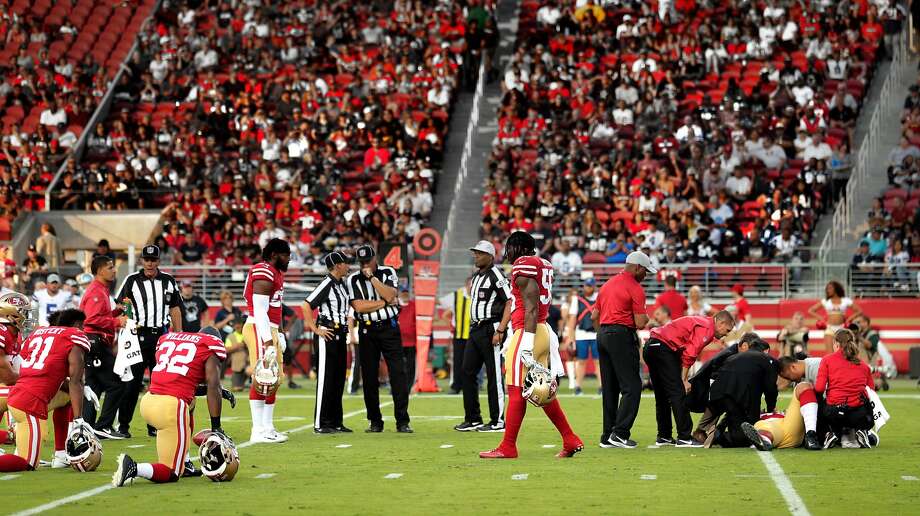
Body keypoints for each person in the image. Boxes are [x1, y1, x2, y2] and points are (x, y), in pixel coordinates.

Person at [480, 231, 583, 459]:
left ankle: (508, 446)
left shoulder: (523, 264)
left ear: (518, 247)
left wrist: (525, 341)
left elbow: (532, 306)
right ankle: (570, 438)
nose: (507, 253)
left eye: (509, 247)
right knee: (540, 389)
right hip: (542, 330)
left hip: (530, 331)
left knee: (516, 390)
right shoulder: (543, 264)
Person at [112, 328, 230, 486]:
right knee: (171, 472)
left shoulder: (169, 338)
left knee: (191, 401)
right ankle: (134, 467)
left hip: (148, 402)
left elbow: (180, 379)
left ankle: (186, 462)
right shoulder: (210, 345)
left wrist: (220, 392)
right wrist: (216, 427)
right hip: (171, 408)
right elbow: (213, 385)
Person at [0, 308, 95, 473]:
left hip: (20, 392)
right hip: (30, 403)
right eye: (83, 326)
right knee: (27, 463)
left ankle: (60, 454)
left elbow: (37, 367)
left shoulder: (40, 333)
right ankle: (21, 445)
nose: (85, 330)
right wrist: (79, 419)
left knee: (66, 397)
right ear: (77, 325)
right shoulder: (74, 336)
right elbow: (75, 381)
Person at [116, 244, 183, 438]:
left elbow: (175, 309)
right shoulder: (131, 280)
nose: (150, 263)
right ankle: (123, 425)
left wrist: (178, 335)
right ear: (142, 261)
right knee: (132, 383)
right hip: (138, 336)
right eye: (147, 259)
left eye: (153, 260)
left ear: (159, 261)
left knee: (159, 383)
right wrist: (127, 323)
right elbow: (121, 304)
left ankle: (154, 424)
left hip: (161, 336)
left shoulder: (168, 281)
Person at [592, 251, 655, 449]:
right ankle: (619, 434)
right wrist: (646, 320)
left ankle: (608, 434)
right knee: (633, 386)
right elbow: (639, 322)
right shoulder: (635, 288)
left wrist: (604, 334)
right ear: (637, 267)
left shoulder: (607, 284)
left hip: (602, 334)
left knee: (610, 388)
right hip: (621, 335)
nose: (646, 276)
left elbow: (595, 315)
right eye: (645, 271)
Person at [644, 311, 735, 447]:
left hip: (651, 347)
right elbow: (690, 354)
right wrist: (684, 380)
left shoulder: (702, 322)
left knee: (662, 396)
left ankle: (664, 436)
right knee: (678, 392)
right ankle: (684, 437)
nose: (726, 334)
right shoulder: (707, 328)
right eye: (727, 330)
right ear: (720, 323)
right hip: (664, 349)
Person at [347, 245, 411, 433]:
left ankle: (402, 421)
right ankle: (375, 421)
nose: (365, 265)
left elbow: (392, 294)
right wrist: (383, 302)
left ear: (375, 258)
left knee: (398, 373)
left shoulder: (387, 271)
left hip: (389, 329)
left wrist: (373, 279)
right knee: (369, 377)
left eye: (368, 261)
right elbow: (359, 307)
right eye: (362, 262)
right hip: (367, 331)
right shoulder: (353, 279)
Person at [455, 241, 510, 433]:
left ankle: (498, 421)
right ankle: (473, 418)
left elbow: (510, 301)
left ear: (490, 256)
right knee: (467, 371)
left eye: (480, 253)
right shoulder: (477, 276)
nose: (476, 256)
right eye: (475, 253)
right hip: (476, 329)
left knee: (494, 375)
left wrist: (501, 330)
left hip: (491, 328)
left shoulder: (496, 275)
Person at [242, 238, 291, 444]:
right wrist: (268, 341)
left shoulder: (275, 272)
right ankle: (258, 430)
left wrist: (279, 333)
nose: (288, 259)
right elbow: (260, 311)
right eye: (285, 255)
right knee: (263, 377)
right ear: (274, 255)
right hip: (258, 326)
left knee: (276, 379)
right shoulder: (264, 271)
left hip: (269, 328)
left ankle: (268, 427)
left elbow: (275, 308)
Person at [302, 251, 352, 434]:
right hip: (327, 334)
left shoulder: (342, 284)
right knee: (325, 379)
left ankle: (336, 421)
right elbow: (306, 305)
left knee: (338, 379)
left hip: (340, 333)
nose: (348, 265)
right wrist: (315, 329)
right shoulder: (327, 283)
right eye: (346, 263)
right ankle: (320, 423)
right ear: (337, 265)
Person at [689, 333, 770, 445]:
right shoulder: (730, 354)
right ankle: (702, 431)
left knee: (726, 407)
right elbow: (710, 367)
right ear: (745, 346)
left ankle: (708, 431)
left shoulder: (735, 353)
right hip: (716, 382)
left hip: (723, 385)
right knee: (721, 406)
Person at [80, 255, 129, 440]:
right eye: (110, 267)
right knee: (117, 384)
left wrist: (117, 311)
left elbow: (99, 315)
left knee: (94, 386)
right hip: (96, 342)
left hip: (94, 342)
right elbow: (91, 319)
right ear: (100, 270)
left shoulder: (100, 290)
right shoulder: (96, 291)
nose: (114, 270)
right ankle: (104, 426)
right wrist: (117, 321)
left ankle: (87, 426)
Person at [706, 346, 778, 448]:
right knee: (748, 435)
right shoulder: (768, 361)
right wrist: (771, 408)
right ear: (766, 351)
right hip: (738, 394)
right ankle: (720, 437)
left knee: (735, 416)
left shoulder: (736, 357)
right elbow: (770, 388)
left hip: (717, 393)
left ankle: (719, 429)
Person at [814, 328, 875, 449]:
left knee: (816, 398)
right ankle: (861, 430)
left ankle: (829, 433)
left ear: (836, 343)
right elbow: (871, 392)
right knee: (863, 403)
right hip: (859, 415)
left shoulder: (827, 360)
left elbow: (819, 388)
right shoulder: (864, 366)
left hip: (834, 413)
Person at [741, 380, 823, 451]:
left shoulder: (785, 414)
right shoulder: (759, 418)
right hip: (774, 430)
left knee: (803, 386)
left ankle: (811, 436)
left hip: (790, 426)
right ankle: (764, 440)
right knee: (763, 426)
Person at [563, 277, 601, 396]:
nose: (587, 288)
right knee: (581, 361)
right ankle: (578, 386)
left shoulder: (599, 298)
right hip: (581, 334)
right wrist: (570, 337)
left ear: (594, 287)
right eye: (586, 285)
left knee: (598, 362)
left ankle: (602, 387)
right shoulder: (576, 299)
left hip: (596, 334)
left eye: (589, 286)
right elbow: (572, 318)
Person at [808, 281, 862, 354]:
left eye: (830, 288)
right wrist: (822, 319)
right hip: (829, 328)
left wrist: (850, 319)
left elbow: (859, 311)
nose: (828, 290)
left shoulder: (845, 300)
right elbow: (811, 310)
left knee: (843, 353)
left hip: (842, 328)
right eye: (827, 289)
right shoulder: (826, 301)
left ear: (836, 288)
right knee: (830, 354)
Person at [439, 278, 471, 395]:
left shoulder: (479, 295)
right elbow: (440, 303)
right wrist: (452, 323)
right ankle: (456, 386)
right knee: (458, 362)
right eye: (470, 286)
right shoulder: (456, 295)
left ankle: (470, 386)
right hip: (459, 335)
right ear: (466, 285)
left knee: (472, 363)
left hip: (473, 336)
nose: (472, 288)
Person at [397, 287, 417, 393]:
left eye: (406, 293)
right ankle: (397, 386)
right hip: (398, 341)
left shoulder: (414, 305)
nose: (405, 295)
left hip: (411, 342)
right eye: (403, 293)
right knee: (398, 366)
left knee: (410, 366)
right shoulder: (396, 306)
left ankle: (408, 386)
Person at [224, 318, 248, 392]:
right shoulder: (230, 336)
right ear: (234, 327)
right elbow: (226, 349)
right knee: (236, 388)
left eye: (241, 327)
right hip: (237, 364)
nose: (239, 329)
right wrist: (238, 346)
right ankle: (242, 384)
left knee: (250, 371)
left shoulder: (247, 334)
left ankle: (251, 383)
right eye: (237, 327)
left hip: (248, 362)